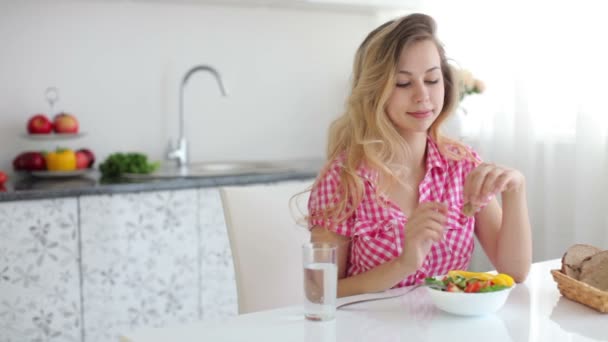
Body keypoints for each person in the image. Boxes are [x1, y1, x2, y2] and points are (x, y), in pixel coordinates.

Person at [307, 13, 532, 298]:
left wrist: (515, 189)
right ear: (375, 91)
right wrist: (404, 264)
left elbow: (514, 272)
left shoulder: (461, 165)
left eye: (432, 79)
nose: (422, 95)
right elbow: (318, 291)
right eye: (403, 83)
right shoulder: (344, 179)